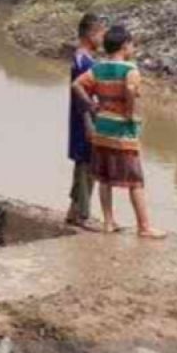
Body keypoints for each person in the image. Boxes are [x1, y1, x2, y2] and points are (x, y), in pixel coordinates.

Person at [72, 24, 166, 239]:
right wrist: (130, 114)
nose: (133, 47)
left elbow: (77, 85)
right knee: (135, 180)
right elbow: (131, 90)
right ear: (124, 46)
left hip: (102, 129)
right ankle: (144, 227)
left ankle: (108, 222)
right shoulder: (130, 70)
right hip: (122, 132)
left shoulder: (97, 68)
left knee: (105, 179)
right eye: (131, 44)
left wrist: (92, 105)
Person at [66, 13, 105, 230]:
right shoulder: (84, 62)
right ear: (91, 34)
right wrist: (89, 122)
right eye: (100, 34)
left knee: (83, 165)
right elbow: (82, 96)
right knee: (87, 166)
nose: (102, 39)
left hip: (82, 119)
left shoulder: (81, 58)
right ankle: (82, 215)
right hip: (85, 120)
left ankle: (74, 211)